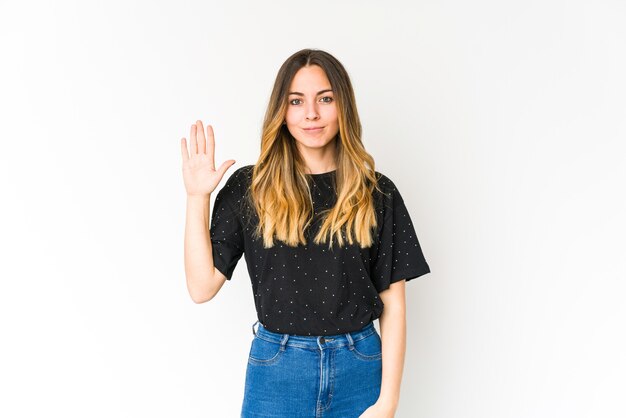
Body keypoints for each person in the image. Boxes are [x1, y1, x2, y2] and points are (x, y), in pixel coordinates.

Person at [181, 48, 431, 418]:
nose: (311, 113)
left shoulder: (377, 193)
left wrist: (388, 401)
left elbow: (393, 305)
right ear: (281, 112)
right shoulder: (249, 188)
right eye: (296, 101)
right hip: (279, 371)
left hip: (359, 366)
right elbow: (201, 287)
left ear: (342, 105)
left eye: (325, 99)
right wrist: (197, 197)